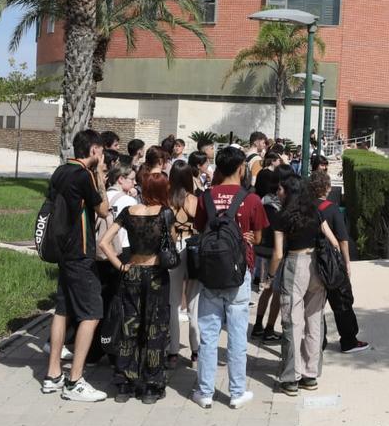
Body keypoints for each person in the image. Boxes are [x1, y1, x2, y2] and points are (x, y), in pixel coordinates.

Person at [191, 147, 269, 409]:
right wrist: (243, 235)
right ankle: (236, 392)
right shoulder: (252, 199)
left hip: (210, 272)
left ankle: (204, 392)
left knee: (209, 334)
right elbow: (258, 238)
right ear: (240, 168)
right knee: (237, 335)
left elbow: (199, 228)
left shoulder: (206, 197)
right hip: (240, 271)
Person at [43, 130, 110, 402]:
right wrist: (101, 179)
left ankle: (53, 374)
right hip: (81, 253)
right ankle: (75, 381)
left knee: (63, 310)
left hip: (63, 251)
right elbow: (103, 210)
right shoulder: (84, 175)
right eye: (101, 152)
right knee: (91, 314)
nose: (103, 156)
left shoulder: (61, 171)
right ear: (94, 150)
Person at [97, 171, 171, 404]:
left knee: (129, 326)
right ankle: (151, 385)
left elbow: (103, 242)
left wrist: (120, 266)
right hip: (156, 275)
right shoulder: (165, 214)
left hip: (133, 273)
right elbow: (170, 245)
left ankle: (124, 383)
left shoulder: (129, 212)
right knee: (154, 328)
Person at [271, 174, 341, 395]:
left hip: (295, 264)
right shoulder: (315, 210)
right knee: (314, 321)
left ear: (288, 191)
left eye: (280, 189)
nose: (278, 193)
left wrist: (270, 276)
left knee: (292, 322)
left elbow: (278, 253)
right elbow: (334, 241)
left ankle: (291, 377)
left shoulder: (282, 216)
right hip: (317, 266)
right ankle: (310, 374)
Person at [310, 172, 370, 353]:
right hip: (332, 263)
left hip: (311, 261)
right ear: (328, 188)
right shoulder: (332, 209)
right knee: (342, 302)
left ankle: (319, 341)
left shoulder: (306, 207)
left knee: (314, 306)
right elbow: (343, 240)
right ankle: (349, 340)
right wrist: (347, 263)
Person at [165, 162, 202, 368]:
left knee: (173, 303)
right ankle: (196, 351)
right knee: (195, 303)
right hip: (193, 248)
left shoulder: (167, 199)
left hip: (173, 250)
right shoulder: (194, 200)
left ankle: (172, 352)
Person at [252, 169, 284, 341]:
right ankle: (269, 329)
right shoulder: (275, 204)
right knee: (276, 291)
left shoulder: (258, 200)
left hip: (261, 249)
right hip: (274, 250)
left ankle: (258, 324)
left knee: (267, 289)